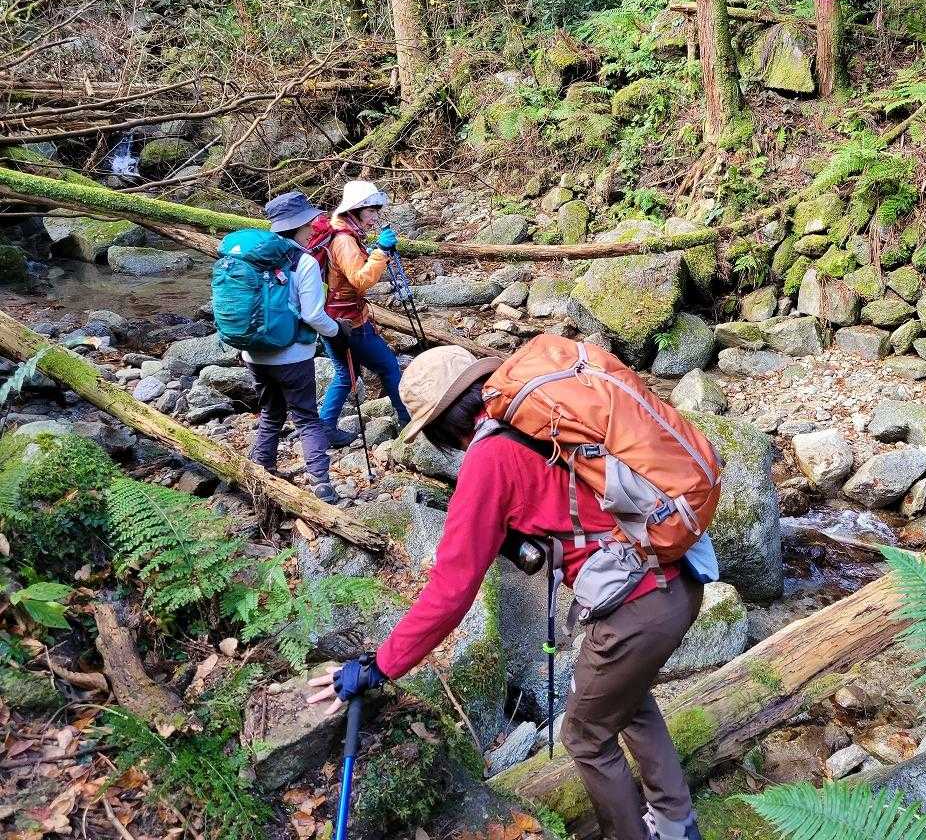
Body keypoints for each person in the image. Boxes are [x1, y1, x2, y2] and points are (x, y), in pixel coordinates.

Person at [307, 346, 706, 840]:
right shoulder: (544, 422)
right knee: (624, 699)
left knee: (585, 736)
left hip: (638, 609)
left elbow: (450, 593)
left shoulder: (488, 459)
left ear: (438, 427)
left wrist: (379, 666)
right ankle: (675, 823)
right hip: (678, 573)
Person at [242, 191, 343, 505]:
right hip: (293, 355)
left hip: (254, 353)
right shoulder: (304, 262)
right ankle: (321, 483)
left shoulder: (250, 256)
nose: (313, 227)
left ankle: (262, 472)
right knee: (306, 417)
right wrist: (338, 331)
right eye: (308, 222)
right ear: (298, 225)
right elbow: (313, 315)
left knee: (271, 413)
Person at [313, 179, 411, 446]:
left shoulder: (339, 230)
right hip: (349, 323)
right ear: (353, 211)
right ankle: (408, 421)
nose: (374, 217)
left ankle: (325, 428)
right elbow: (360, 279)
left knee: (346, 374)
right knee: (388, 366)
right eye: (370, 211)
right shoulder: (344, 240)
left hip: (330, 318)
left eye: (376, 211)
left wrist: (373, 252)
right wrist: (380, 253)